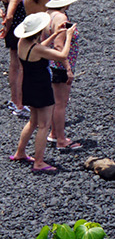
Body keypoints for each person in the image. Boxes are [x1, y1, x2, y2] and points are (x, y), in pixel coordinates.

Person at [11, 10, 69, 172]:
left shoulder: (22, 42)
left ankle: (20, 152)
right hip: (41, 87)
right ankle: (39, 162)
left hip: (28, 86)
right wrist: (68, 36)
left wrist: (55, 34)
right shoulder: (37, 49)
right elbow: (62, 55)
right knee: (43, 125)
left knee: (33, 122)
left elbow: (39, 48)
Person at [44, 0, 80, 151]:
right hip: (59, 65)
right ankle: (61, 140)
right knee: (61, 104)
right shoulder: (62, 18)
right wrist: (68, 68)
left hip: (49, 63)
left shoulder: (49, 14)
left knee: (55, 102)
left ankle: (53, 134)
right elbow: (59, 46)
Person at [3, 0, 34, 117]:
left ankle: (15, 100)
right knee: (22, 66)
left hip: (11, 31)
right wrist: (6, 27)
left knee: (13, 64)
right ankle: (20, 104)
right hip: (17, 29)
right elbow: (10, 16)